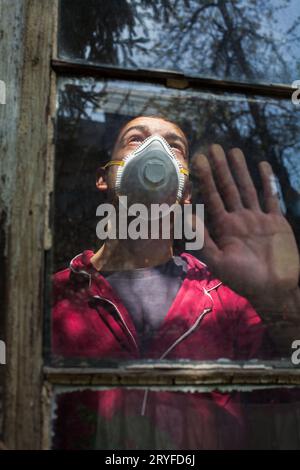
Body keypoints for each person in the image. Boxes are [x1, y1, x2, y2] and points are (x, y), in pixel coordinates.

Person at [52, 115, 300, 449]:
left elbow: (286, 401)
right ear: (103, 178)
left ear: (186, 194)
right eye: (136, 139)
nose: (156, 150)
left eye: (174, 146)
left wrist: (280, 303)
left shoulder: (228, 301)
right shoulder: (52, 295)